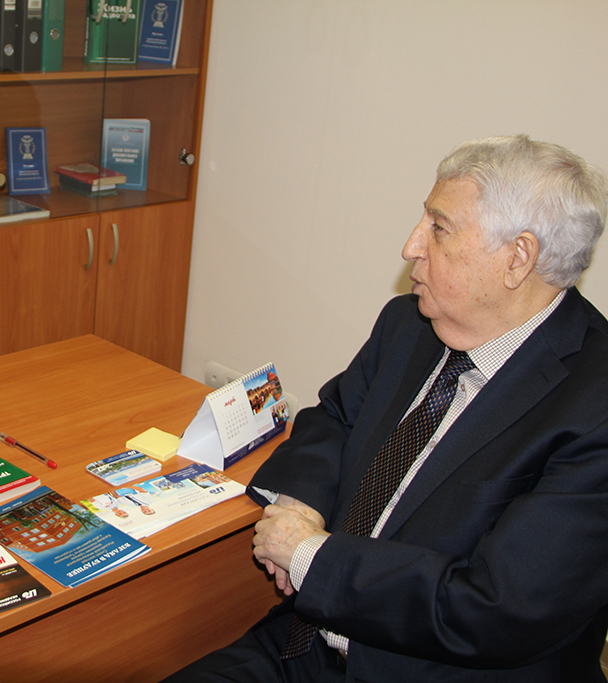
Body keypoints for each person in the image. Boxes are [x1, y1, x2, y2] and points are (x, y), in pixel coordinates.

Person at [164, 135, 608, 682]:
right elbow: (335, 417)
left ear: (517, 258)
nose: (410, 246)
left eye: (438, 228)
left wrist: (309, 556)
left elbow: (496, 608)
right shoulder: (411, 323)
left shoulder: (595, 407)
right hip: (308, 643)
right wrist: (300, 506)